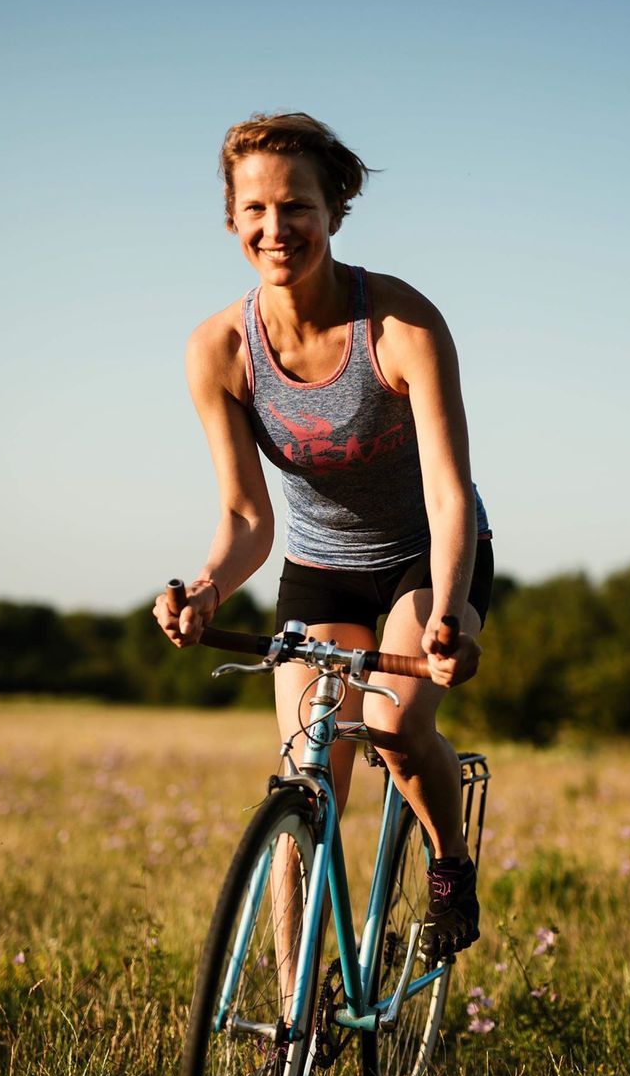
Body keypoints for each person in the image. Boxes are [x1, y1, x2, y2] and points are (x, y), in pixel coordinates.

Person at [153, 112, 493, 963]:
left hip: (427, 553)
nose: (277, 229)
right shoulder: (220, 349)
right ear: (232, 219)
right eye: (255, 210)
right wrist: (205, 588)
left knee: (395, 725)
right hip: (319, 566)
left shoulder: (401, 325)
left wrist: (447, 615)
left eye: (297, 206)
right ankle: (290, 1028)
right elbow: (246, 518)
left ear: (334, 211)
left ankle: (450, 867)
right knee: (304, 777)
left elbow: (449, 494)